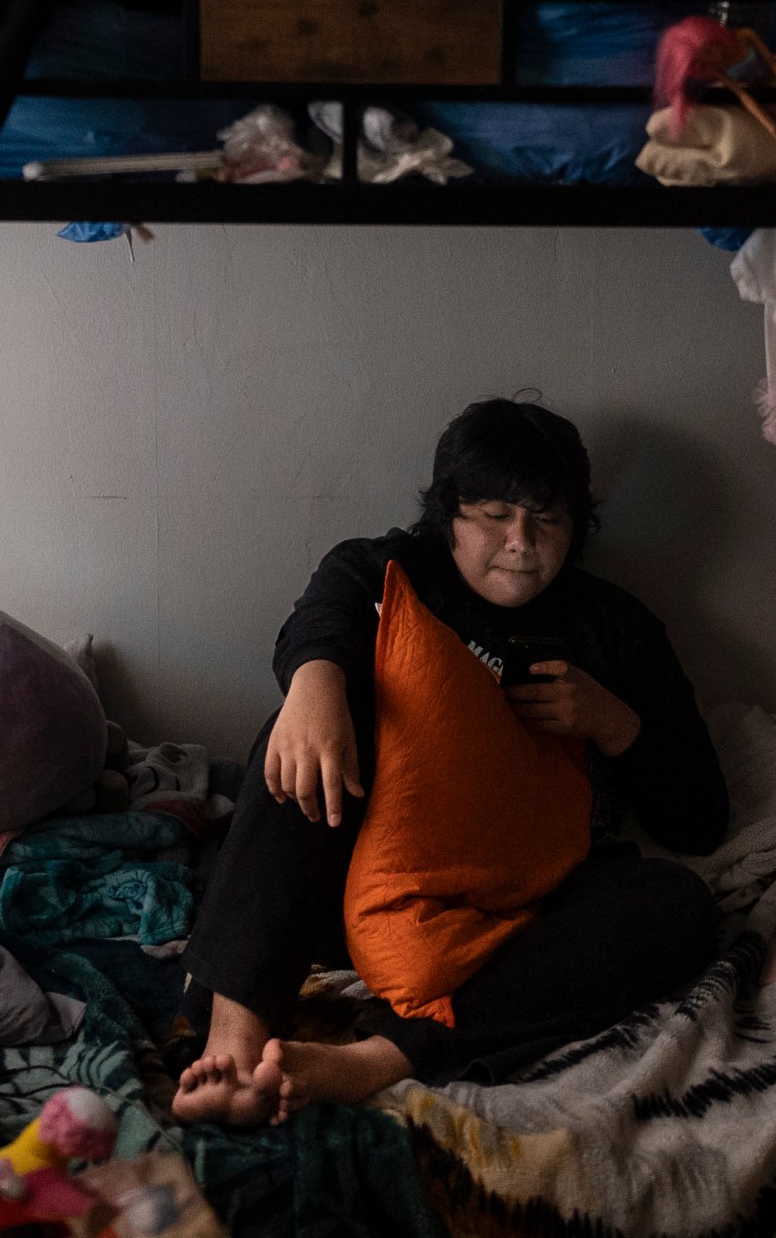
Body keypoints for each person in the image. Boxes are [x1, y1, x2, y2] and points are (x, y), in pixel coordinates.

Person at [171, 397, 729, 1126]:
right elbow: (320, 619)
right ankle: (236, 1045)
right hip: (371, 885)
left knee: (677, 907)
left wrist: (612, 722)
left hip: (520, 909)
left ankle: (374, 1060)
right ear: (449, 513)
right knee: (296, 733)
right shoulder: (392, 568)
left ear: (577, 528)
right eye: (495, 513)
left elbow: (702, 820)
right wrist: (315, 679)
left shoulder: (615, 628)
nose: (521, 542)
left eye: (547, 520)